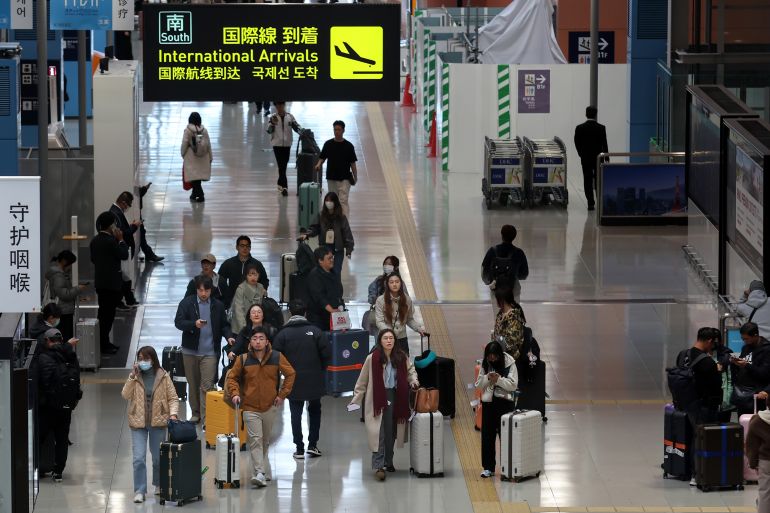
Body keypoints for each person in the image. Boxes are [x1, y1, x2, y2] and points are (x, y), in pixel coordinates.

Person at [226, 327, 296, 488]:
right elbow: (232, 378)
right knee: (255, 440)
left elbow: (291, 374)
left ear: (267, 342)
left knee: (264, 441)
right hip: (250, 407)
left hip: (270, 406)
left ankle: (261, 470)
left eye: (261, 338)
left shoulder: (277, 357)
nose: (258, 341)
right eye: (254, 338)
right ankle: (259, 473)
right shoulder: (243, 359)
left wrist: (282, 395)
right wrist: (235, 393)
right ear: (250, 342)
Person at [349, 329, 419, 481]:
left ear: (395, 341)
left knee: (391, 431)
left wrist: (414, 381)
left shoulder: (401, 357)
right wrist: (355, 401)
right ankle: (379, 466)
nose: (389, 341)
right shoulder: (372, 358)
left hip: (396, 396)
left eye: (391, 338)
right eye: (385, 338)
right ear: (380, 341)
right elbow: (362, 382)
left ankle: (389, 461)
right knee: (378, 432)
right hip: (377, 398)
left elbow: (410, 371)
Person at [272, 299, 330, 460]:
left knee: (295, 413)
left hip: (293, 380)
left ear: (290, 313)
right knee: (315, 410)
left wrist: (284, 374)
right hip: (314, 378)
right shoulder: (316, 331)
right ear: (305, 313)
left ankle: (299, 448)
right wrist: (320, 369)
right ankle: (313, 446)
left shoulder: (283, 334)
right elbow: (326, 354)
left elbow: (276, 357)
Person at [121, 346, 179, 503]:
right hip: (137, 422)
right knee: (138, 458)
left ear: (153, 359)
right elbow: (125, 395)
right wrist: (132, 376)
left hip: (158, 423)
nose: (143, 361)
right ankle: (140, 490)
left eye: (146, 358)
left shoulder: (163, 376)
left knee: (157, 458)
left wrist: (173, 414)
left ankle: (159, 485)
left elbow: (173, 397)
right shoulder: (135, 376)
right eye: (140, 358)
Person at [174, 275, 234, 424]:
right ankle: (196, 413)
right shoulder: (187, 303)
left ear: (210, 290)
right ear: (196, 290)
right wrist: (193, 324)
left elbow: (224, 325)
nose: (203, 293)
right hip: (190, 351)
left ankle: (207, 417)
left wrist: (228, 337)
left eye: (206, 290)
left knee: (206, 385)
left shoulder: (218, 306)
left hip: (210, 352)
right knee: (193, 384)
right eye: (201, 290)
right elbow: (179, 322)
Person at [676, 327, 722, 486]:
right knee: (702, 439)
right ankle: (699, 474)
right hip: (703, 405)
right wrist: (718, 371)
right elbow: (715, 386)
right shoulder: (708, 362)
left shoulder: (683, 355)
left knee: (693, 437)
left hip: (687, 404)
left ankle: (692, 472)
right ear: (709, 340)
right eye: (713, 343)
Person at [37, 328, 81, 482]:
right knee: (62, 439)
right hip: (65, 406)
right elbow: (77, 381)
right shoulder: (71, 357)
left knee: (40, 437)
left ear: (47, 341)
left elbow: (42, 382)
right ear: (61, 341)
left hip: (47, 407)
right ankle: (58, 472)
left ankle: (35, 468)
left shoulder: (43, 358)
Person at [475, 340, 517, 478]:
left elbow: (513, 385)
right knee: (487, 436)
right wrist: (488, 377)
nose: (492, 359)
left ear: (499, 355)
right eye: (489, 356)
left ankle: (507, 467)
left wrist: (499, 380)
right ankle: (488, 467)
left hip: (505, 404)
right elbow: (479, 384)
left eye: (494, 356)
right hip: (489, 404)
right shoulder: (485, 364)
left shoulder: (510, 363)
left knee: (506, 436)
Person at [90, 211, 129, 355]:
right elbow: (123, 255)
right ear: (111, 225)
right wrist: (121, 240)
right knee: (108, 316)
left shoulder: (94, 240)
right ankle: (104, 344)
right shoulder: (111, 241)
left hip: (100, 283)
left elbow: (93, 259)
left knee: (103, 314)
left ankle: (104, 342)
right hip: (112, 285)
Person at [303, 191, 354, 276]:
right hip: (325, 247)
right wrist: (307, 234)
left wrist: (349, 249)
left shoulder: (341, 218)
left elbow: (347, 233)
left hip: (338, 248)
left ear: (335, 202)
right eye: (326, 200)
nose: (328, 203)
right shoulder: (321, 215)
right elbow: (315, 227)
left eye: (330, 201)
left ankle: (336, 288)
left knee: (336, 271)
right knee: (325, 271)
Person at [374, 273, 425, 356]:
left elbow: (409, 319)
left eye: (397, 282)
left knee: (404, 365)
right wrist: (389, 333)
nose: (394, 284)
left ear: (401, 284)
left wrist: (418, 328)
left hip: (402, 338)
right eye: (391, 282)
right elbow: (379, 321)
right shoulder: (380, 300)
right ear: (387, 284)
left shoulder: (407, 299)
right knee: (385, 364)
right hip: (387, 338)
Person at [314, 120, 358, 217]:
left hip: (345, 178)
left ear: (343, 131)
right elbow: (322, 157)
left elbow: (352, 163)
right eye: (335, 129)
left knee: (343, 201)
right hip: (331, 177)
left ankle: (345, 223)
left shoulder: (349, 146)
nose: (337, 132)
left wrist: (355, 176)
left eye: (339, 130)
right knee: (332, 201)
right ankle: (333, 221)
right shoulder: (328, 144)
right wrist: (318, 164)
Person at [45, 250, 87, 342]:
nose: (71, 267)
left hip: (62, 310)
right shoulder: (58, 276)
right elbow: (63, 294)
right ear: (64, 262)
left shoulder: (59, 274)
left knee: (62, 337)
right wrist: (78, 289)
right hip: (63, 311)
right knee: (65, 337)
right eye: (71, 264)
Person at [481, 224, 529, 302]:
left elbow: (484, 272)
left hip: (496, 290)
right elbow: (524, 274)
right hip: (513, 290)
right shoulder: (519, 253)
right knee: (513, 313)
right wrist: (513, 274)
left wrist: (489, 282)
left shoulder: (492, 251)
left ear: (502, 235)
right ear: (514, 236)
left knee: (498, 313)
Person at [730, 322, 770, 415]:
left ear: (755, 335)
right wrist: (736, 363)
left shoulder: (767, 350)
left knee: (755, 425)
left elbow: (764, 373)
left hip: (758, 394)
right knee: (742, 422)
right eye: (742, 338)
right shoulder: (746, 348)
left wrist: (746, 365)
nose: (744, 341)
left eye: (746, 338)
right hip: (743, 393)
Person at [219, 236, 269, 309]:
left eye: (247, 246)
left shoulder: (257, 264)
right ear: (237, 247)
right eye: (242, 246)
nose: (245, 248)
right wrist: (227, 295)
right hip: (233, 301)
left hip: (253, 302)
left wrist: (261, 291)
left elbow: (264, 280)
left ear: (250, 248)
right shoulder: (228, 263)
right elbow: (220, 280)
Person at [573, 105, 609, 211]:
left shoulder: (580, 128)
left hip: (586, 158)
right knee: (599, 180)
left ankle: (590, 203)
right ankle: (600, 201)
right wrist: (606, 157)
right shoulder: (601, 128)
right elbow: (604, 144)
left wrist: (581, 153)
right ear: (596, 115)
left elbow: (576, 142)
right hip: (599, 158)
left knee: (587, 179)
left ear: (586, 114)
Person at [109, 191, 141, 308]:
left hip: (123, 247)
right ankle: (122, 301)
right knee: (124, 276)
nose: (128, 207)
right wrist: (134, 226)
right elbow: (123, 233)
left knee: (125, 276)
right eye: (128, 204)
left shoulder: (116, 211)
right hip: (121, 248)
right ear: (123, 202)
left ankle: (128, 299)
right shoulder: (115, 213)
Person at [266, 101, 301, 196]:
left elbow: (296, 127)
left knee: (283, 165)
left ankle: (279, 184)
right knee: (281, 165)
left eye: (281, 105)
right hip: (277, 145)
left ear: (284, 105)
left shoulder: (290, 116)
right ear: (276, 106)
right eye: (278, 105)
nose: (279, 107)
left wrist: (302, 132)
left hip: (287, 144)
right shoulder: (272, 117)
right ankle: (285, 187)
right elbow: (269, 131)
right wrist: (272, 124)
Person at [305, 247, 344, 331]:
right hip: (319, 319)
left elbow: (338, 292)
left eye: (332, 257)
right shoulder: (314, 276)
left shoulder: (333, 273)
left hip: (333, 316)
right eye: (329, 258)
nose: (332, 260)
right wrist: (332, 310)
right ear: (320, 261)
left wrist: (341, 308)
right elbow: (319, 297)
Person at [181, 111, 213, 203]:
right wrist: (210, 157)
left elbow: (184, 144)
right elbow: (209, 144)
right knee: (197, 177)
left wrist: (183, 154)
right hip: (203, 157)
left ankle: (201, 195)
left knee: (194, 176)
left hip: (191, 157)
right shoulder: (204, 130)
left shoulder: (188, 131)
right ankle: (194, 195)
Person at [746, 395, 770, 513]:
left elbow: (751, 445)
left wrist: (752, 462)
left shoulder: (758, 420)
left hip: (766, 461)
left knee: (765, 491)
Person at [231, 263, 267, 334]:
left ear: (259, 275)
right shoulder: (241, 289)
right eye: (250, 275)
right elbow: (239, 311)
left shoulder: (260, 287)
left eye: (255, 275)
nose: (253, 277)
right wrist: (245, 329)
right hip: (241, 326)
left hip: (257, 324)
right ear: (246, 276)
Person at [492, 286, 526, 360]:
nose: (496, 301)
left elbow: (512, 343)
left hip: (511, 358)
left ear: (502, 300)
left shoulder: (514, 317)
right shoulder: (501, 314)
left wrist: (496, 349)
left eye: (497, 299)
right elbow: (496, 334)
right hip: (500, 354)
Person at [137, 182, 164, 263]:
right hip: (136, 213)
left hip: (137, 212)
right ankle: (149, 255)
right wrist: (145, 188)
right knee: (141, 235)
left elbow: (138, 193)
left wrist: (145, 188)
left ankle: (149, 255)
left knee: (142, 234)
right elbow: (138, 194)